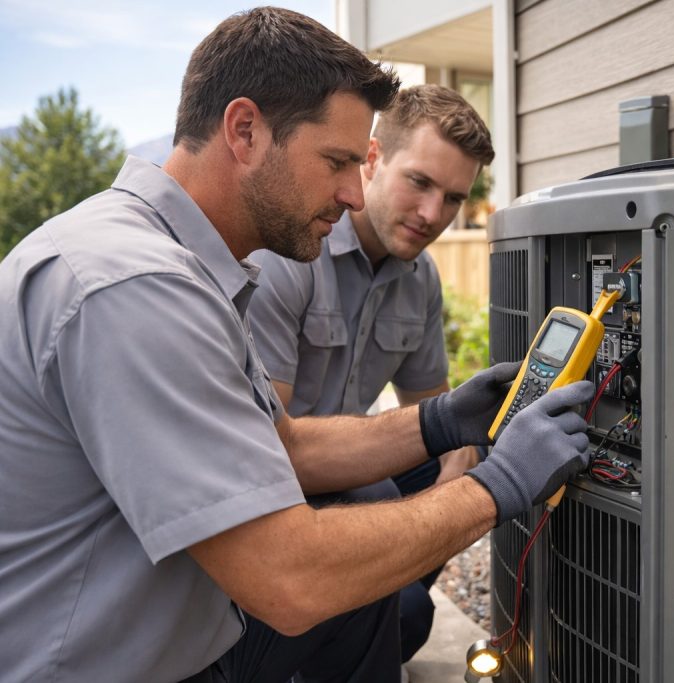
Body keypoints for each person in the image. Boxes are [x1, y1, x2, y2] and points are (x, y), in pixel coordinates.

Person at [0, 8, 594, 683]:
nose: (352, 190)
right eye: (339, 161)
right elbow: (289, 579)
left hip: (184, 633)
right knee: (346, 592)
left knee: (367, 605)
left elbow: (286, 447)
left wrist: (442, 417)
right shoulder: (134, 286)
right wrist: (501, 483)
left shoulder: (188, 266)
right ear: (245, 131)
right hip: (100, 666)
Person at [246, 83, 493, 663]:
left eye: (455, 198)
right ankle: (363, 619)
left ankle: (378, 602)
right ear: (374, 158)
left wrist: (454, 479)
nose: (434, 215)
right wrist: (424, 517)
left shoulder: (421, 278)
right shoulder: (294, 253)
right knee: (408, 612)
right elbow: (271, 452)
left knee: (467, 450)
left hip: (349, 468)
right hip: (277, 481)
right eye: (420, 182)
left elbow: (435, 412)